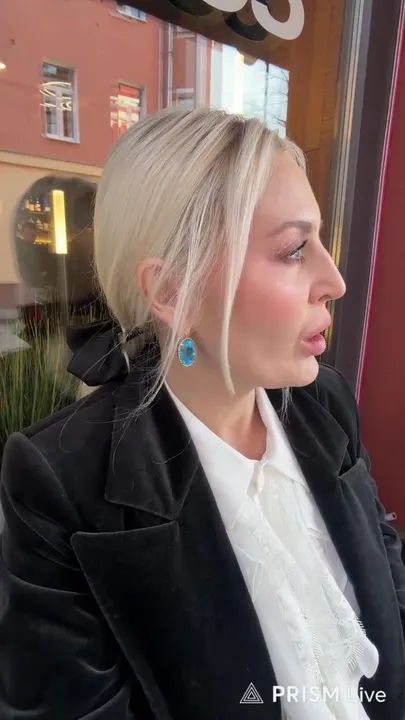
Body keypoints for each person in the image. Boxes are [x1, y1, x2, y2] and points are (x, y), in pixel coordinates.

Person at [0, 107, 404, 720]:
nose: (336, 280)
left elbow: (388, 578)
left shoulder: (324, 405)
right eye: (295, 249)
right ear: (172, 291)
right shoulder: (62, 483)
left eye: (319, 241)